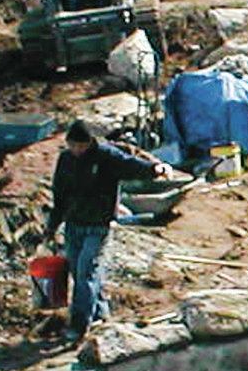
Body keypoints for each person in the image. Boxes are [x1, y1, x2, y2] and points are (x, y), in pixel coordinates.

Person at [44, 120, 173, 339]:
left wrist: (154, 169)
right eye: (72, 145)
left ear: (89, 142)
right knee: (79, 272)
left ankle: (79, 326)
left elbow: (130, 165)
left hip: (98, 225)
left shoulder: (105, 156)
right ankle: (100, 315)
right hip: (74, 224)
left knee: (87, 272)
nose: (76, 150)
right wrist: (52, 226)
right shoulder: (66, 160)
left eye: (80, 146)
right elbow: (60, 194)